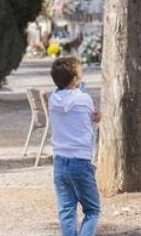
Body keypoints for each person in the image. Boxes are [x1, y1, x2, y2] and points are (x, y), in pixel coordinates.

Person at [49, 57, 101, 236]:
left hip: (59, 162)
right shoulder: (84, 99)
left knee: (66, 211)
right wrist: (97, 118)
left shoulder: (52, 99)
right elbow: (90, 125)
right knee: (92, 210)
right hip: (80, 161)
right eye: (80, 74)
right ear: (75, 80)